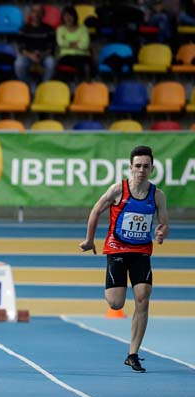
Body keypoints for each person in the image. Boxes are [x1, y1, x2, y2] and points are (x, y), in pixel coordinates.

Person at [79, 146, 169, 373]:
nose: (141, 170)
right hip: (117, 250)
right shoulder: (118, 189)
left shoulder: (157, 195)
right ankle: (114, 291)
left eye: (146, 166)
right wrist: (89, 240)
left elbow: (164, 223)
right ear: (131, 167)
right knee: (115, 303)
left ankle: (133, 354)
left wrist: (161, 232)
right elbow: (95, 210)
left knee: (143, 298)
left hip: (141, 252)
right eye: (137, 166)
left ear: (152, 168)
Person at [14, 4, 56, 94]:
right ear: (30, 13)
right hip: (28, 55)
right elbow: (21, 48)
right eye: (34, 11)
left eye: (39, 12)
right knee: (19, 64)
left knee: (51, 63)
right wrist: (31, 55)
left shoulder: (49, 29)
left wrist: (42, 55)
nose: (36, 14)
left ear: (43, 14)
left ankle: (43, 87)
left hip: (44, 55)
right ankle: (30, 86)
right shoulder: (24, 29)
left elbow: (51, 48)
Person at [55, 6, 92, 81]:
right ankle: (83, 81)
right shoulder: (60, 29)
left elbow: (85, 45)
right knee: (80, 63)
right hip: (66, 56)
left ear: (75, 16)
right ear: (63, 18)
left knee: (82, 61)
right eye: (66, 16)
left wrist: (68, 44)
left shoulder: (83, 28)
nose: (68, 18)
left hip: (82, 55)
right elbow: (60, 43)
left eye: (70, 15)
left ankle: (82, 83)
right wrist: (77, 43)